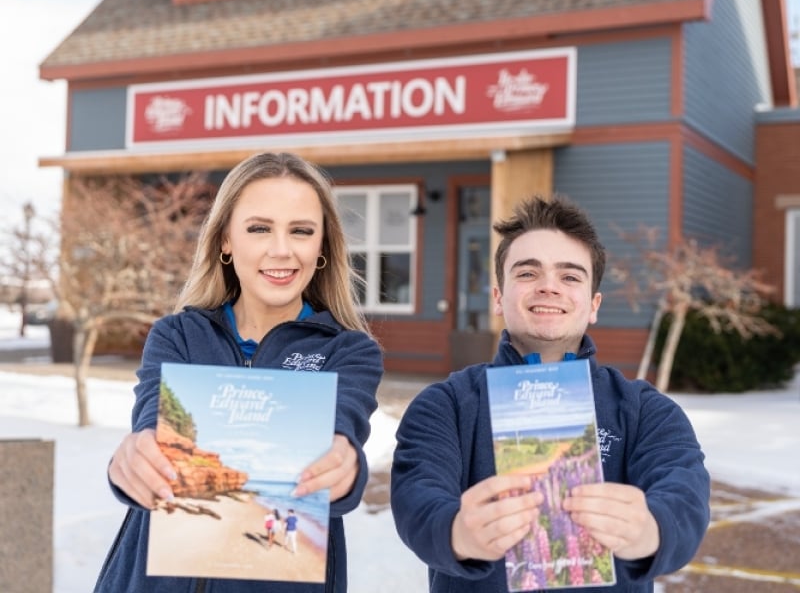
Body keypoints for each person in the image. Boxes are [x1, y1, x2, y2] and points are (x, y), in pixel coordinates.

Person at [94, 151, 384, 593]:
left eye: (301, 231)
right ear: (226, 240)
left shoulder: (349, 352)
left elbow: (343, 434)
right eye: (259, 228)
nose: (281, 249)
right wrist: (129, 462)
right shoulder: (177, 336)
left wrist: (344, 469)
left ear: (322, 246)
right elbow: (151, 429)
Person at [391, 196, 710, 592]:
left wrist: (650, 529)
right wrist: (456, 531)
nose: (548, 287)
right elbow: (416, 499)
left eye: (570, 276)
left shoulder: (647, 411)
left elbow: (685, 498)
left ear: (593, 304)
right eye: (527, 273)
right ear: (497, 297)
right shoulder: (446, 405)